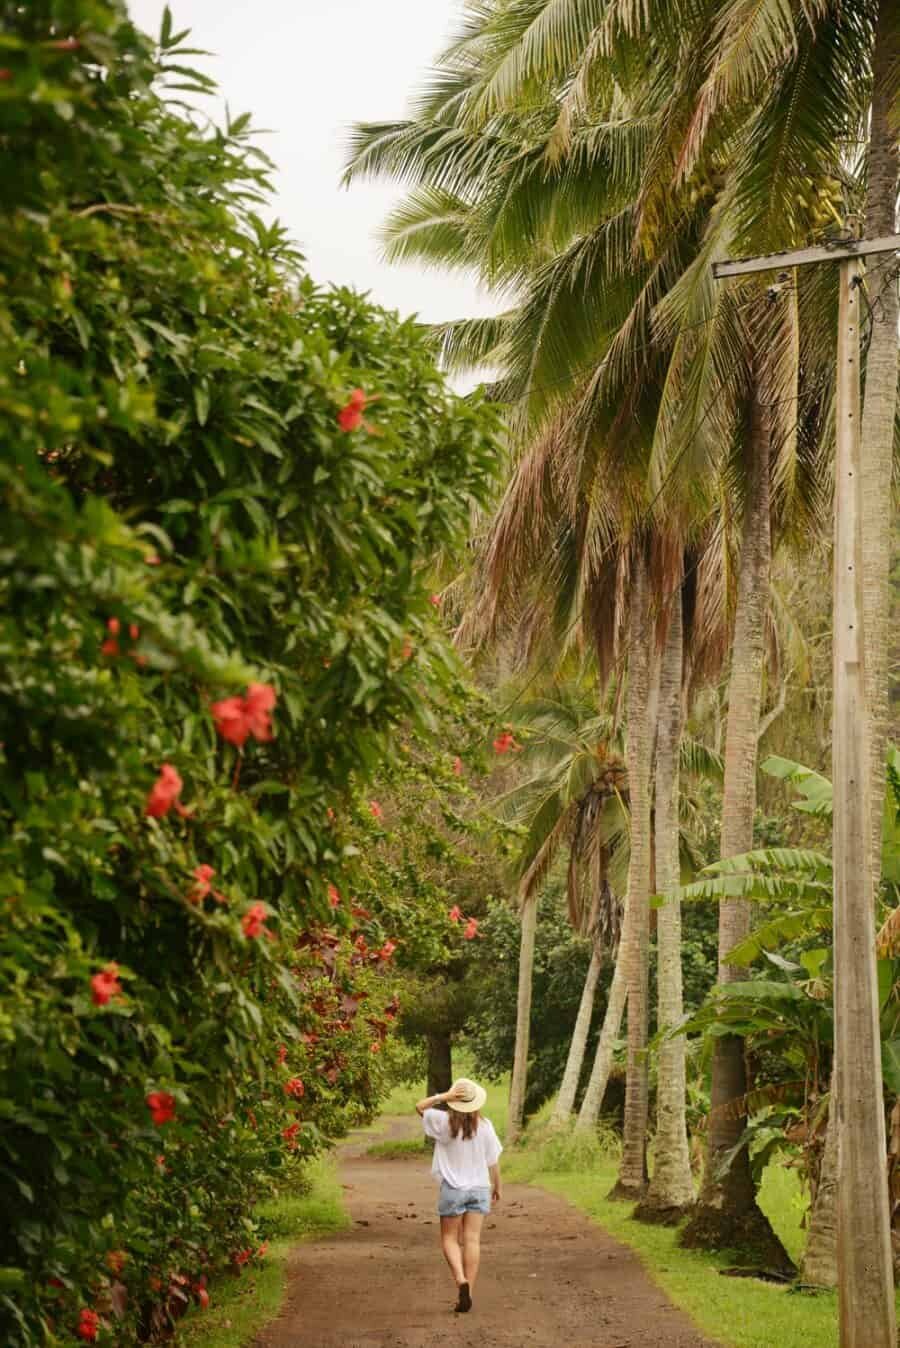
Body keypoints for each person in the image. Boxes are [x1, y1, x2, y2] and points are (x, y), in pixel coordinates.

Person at [415, 1077, 502, 1314]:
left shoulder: (442, 1122)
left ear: (455, 1102)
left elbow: (420, 1107)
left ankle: (460, 1280)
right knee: (472, 1239)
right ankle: (469, 1293)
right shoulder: (486, 1126)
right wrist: (497, 1186)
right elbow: (493, 1161)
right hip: (480, 1188)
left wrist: (444, 1096)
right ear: (476, 1103)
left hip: (453, 1189)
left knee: (449, 1239)